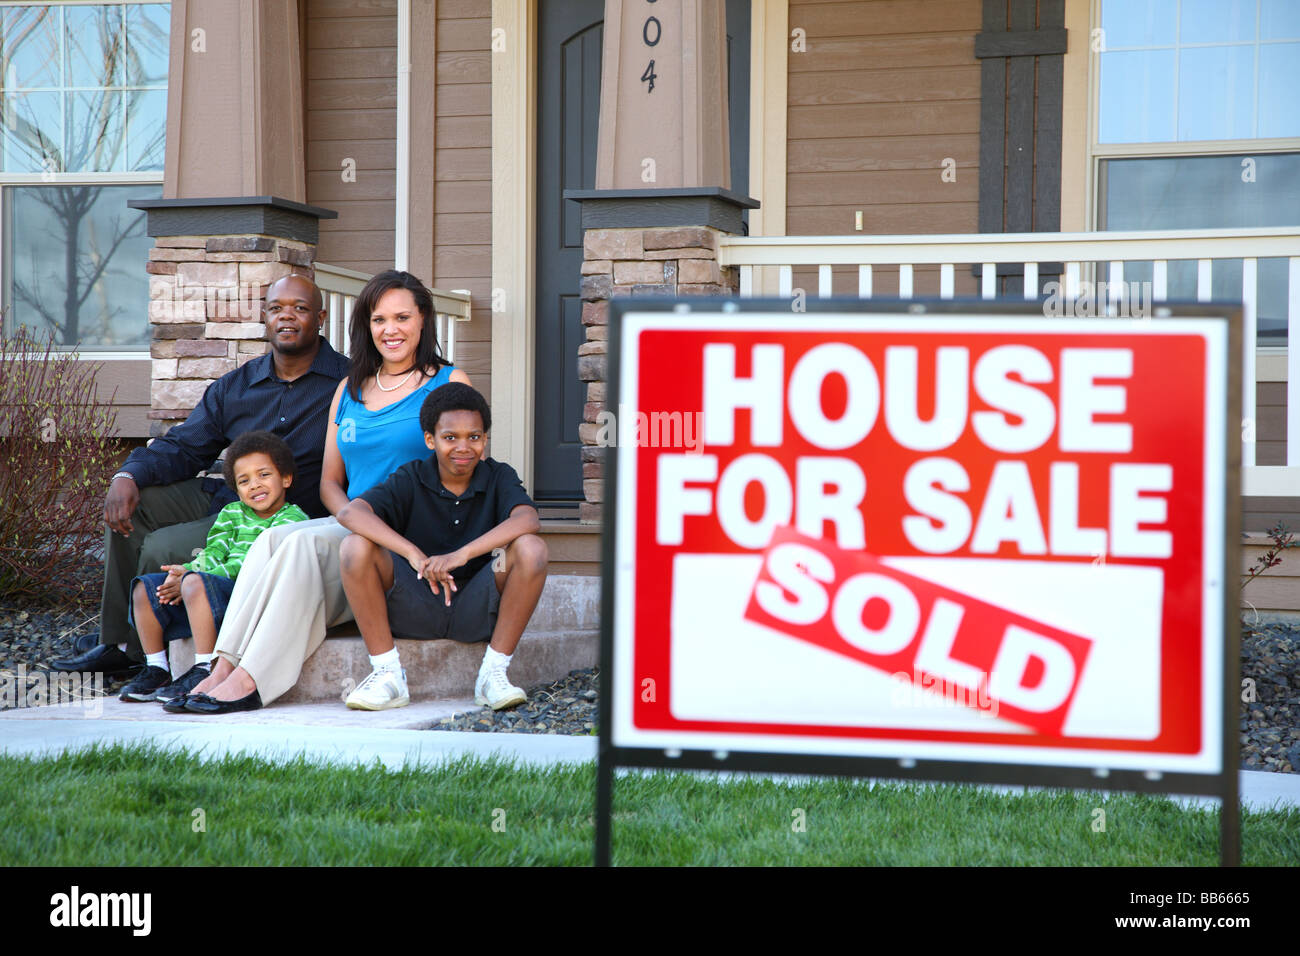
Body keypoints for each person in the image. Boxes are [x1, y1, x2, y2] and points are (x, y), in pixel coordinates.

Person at [178, 270, 472, 714]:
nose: (390, 330)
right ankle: (222, 667)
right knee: (274, 538)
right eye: (378, 320)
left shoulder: (448, 384)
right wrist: (352, 516)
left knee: (301, 545)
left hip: (409, 534)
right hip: (355, 523)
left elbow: (464, 474)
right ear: (366, 326)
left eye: (402, 317)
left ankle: (254, 679)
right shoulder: (349, 390)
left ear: (424, 319)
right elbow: (331, 482)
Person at [49, 274, 348, 678]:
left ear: (321, 318)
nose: (287, 317)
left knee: (160, 546)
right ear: (265, 318)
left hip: (282, 516)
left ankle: (150, 655)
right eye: (276, 308)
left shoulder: (347, 385)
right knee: (134, 509)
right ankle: (117, 642)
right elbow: (186, 447)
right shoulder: (238, 385)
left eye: (299, 308)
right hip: (228, 496)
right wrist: (127, 474)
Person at [337, 383, 548, 711]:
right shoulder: (411, 477)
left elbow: (528, 520)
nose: (463, 447)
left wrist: (462, 554)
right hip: (415, 602)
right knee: (355, 547)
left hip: (478, 608)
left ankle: (493, 674)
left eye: (474, 437)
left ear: (485, 440)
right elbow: (352, 512)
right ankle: (388, 675)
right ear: (430, 440)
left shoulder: (498, 477)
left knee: (531, 549)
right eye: (451, 438)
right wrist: (412, 553)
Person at [119, 431, 308, 703]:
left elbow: (253, 564)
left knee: (194, 582)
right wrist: (184, 572)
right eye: (244, 481)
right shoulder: (231, 513)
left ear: (286, 478)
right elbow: (214, 552)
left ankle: (204, 667)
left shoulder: (292, 520)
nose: (254, 485)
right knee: (145, 588)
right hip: (212, 590)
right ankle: (157, 667)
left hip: (248, 597)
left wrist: (192, 578)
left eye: (264, 475)